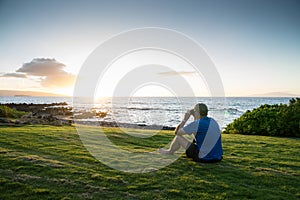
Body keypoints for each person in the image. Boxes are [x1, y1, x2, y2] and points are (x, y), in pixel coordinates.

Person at [159, 103, 223, 163]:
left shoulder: (197, 124)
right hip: (217, 157)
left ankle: (170, 152)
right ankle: (170, 151)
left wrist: (185, 119)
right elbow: (196, 132)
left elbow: (177, 132)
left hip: (203, 157)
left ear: (197, 113)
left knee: (178, 137)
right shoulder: (212, 121)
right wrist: (195, 116)